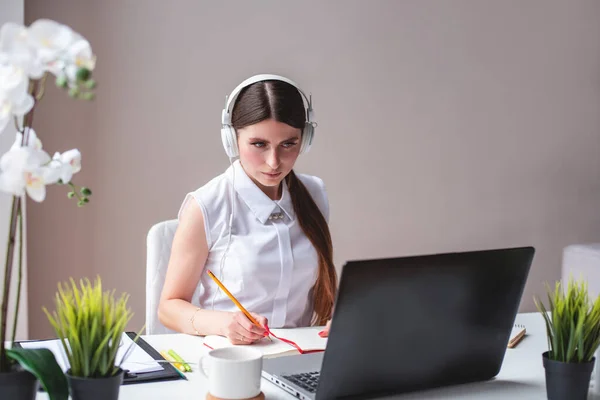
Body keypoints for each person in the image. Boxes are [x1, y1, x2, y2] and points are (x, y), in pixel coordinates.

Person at [158, 74, 337, 344]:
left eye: (289, 144)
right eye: (259, 144)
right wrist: (224, 324)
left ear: (306, 139)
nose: (274, 161)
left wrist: (341, 318)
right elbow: (169, 307)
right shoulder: (206, 205)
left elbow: (317, 289)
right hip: (230, 358)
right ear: (232, 140)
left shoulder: (314, 195)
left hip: (301, 353)